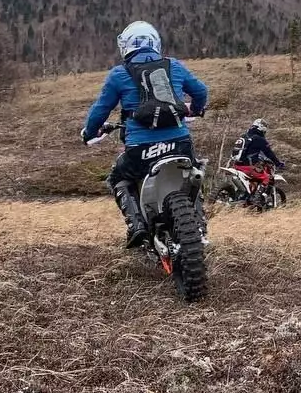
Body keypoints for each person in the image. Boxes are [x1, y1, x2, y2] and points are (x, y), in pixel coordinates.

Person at [82, 21, 208, 248]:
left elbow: (100, 111)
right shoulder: (174, 66)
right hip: (180, 143)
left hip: (141, 149)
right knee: (193, 172)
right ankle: (198, 224)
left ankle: (136, 225)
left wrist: (89, 132)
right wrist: (197, 110)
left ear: (126, 46)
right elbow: (201, 91)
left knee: (118, 179)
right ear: (155, 43)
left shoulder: (119, 74)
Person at [230, 119, 286, 199]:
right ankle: (257, 198)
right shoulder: (259, 139)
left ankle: (247, 196)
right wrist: (278, 163)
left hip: (237, 165)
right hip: (248, 167)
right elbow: (269, 153)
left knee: (255, 177)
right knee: (266, 177)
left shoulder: (244, 136)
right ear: (262, 128)